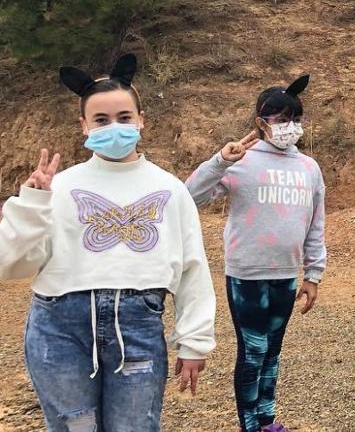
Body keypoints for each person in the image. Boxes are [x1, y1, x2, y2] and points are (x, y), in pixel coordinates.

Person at [0, 54, 215, 431]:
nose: (113, 126)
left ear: (141, 119)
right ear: (84, 126)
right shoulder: (61, 186)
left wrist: (194, 341)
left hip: (138, 326)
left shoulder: (169, 189)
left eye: (124, 117)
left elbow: (192, 269)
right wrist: (32, 205)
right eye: (101, 119)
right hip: (60, 329)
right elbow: (10, 265)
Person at [186, 74, 327, 432]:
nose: (289, 127)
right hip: (247, 274)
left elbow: (315, 224)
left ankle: (267, 420)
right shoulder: (241, 162)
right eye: (281, 120)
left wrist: (313, 273)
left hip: (286, 275)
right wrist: (220, 160)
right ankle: (249, 425)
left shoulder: (309, 169)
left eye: (295, 119)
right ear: (261, 123)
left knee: (273, 354)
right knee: (252, 352)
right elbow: (189, 197)